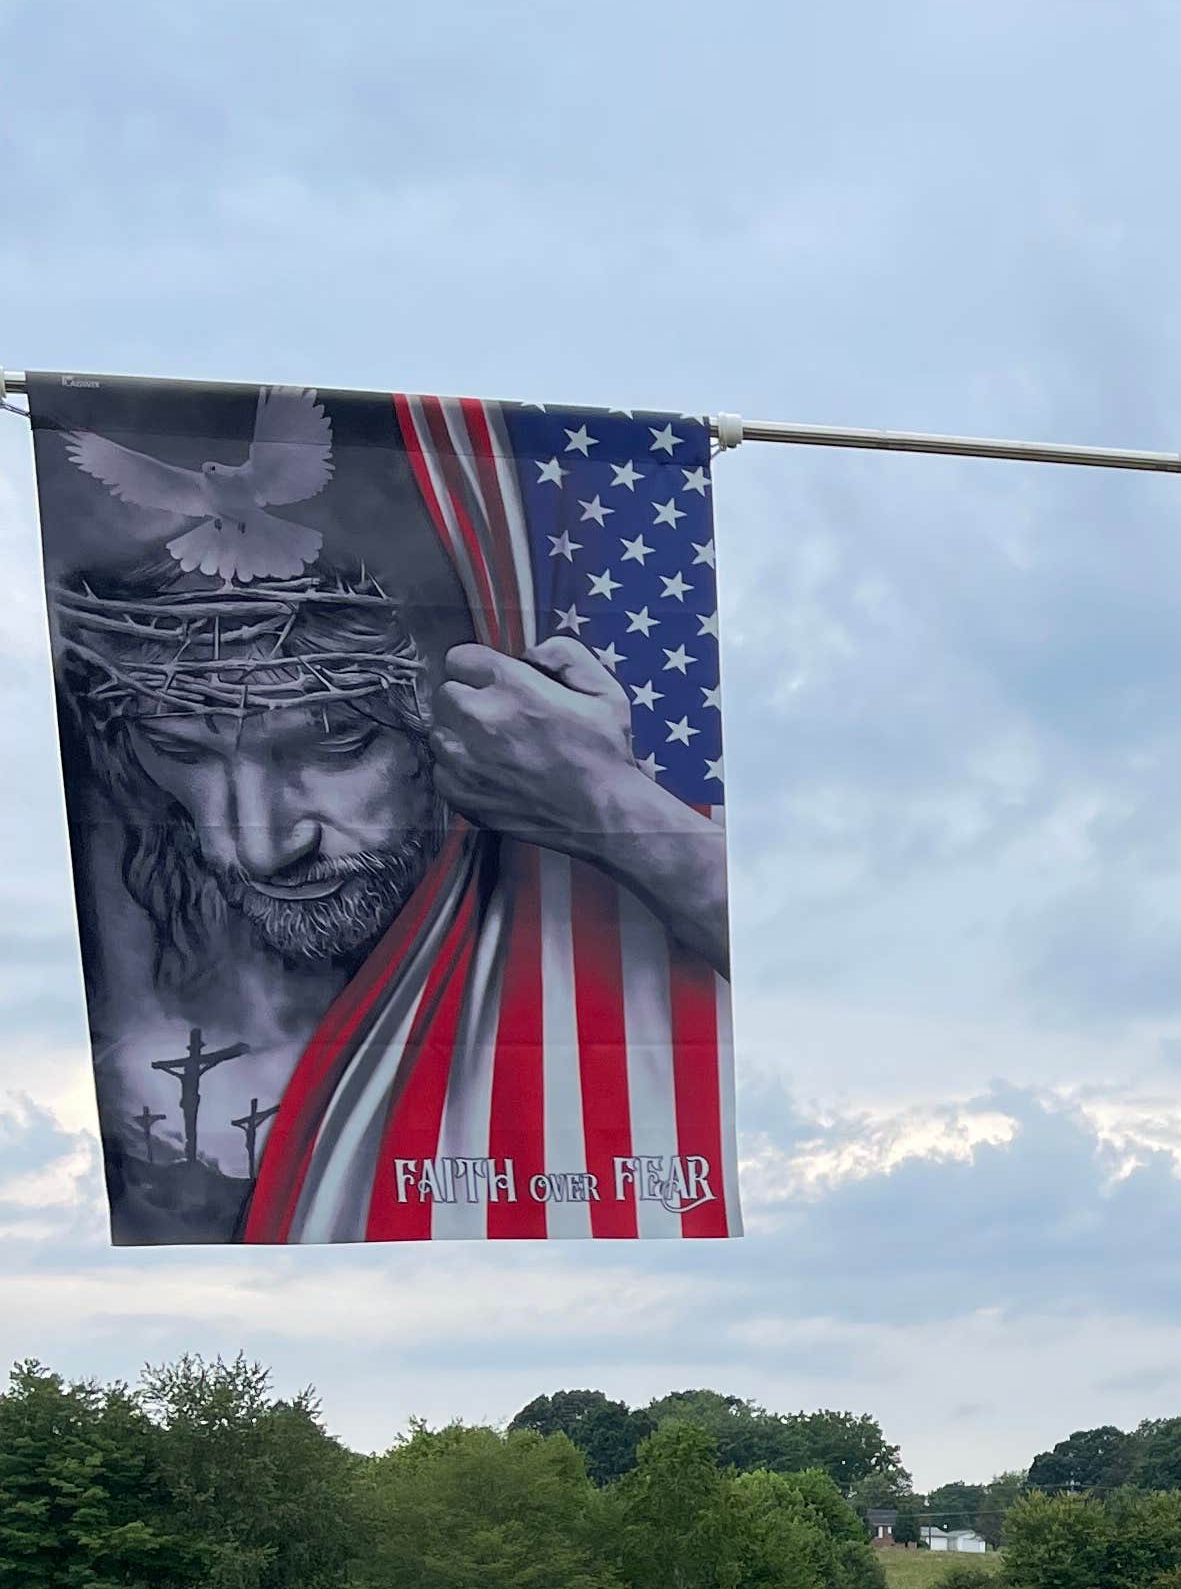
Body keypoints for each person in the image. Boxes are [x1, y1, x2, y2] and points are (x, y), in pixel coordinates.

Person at [37, 375, 736, 1245]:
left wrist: (612, 807)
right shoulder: (157, 1005)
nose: (253, 843)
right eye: (182, 750)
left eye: (333, 745)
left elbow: (799, 970)